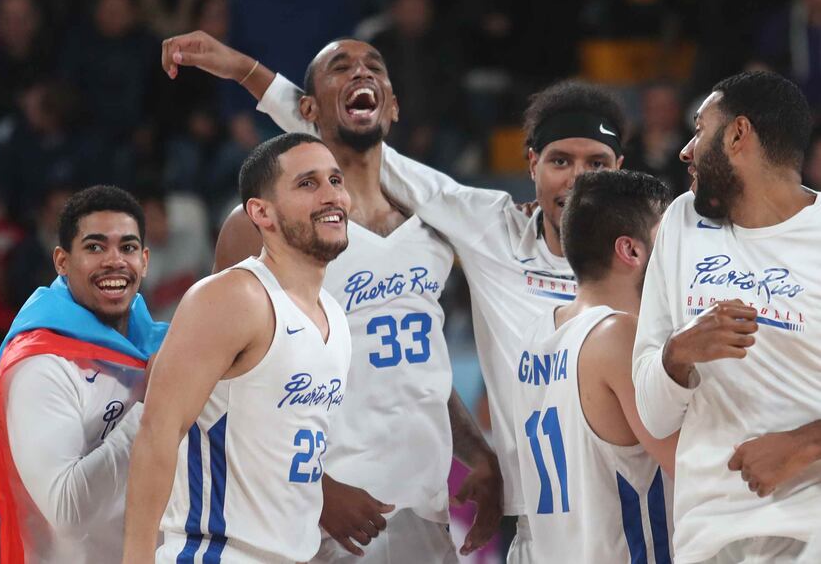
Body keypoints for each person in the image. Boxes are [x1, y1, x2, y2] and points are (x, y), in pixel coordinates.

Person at [229, 45, 629, 559]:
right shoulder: (492, 231)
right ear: (532, 165)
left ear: (621, 168)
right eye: (560, 161)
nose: (577, 178)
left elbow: (425, 374)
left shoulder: (651, 258)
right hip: (516, 525)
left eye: (596, 163)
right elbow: (358, 140)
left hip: (618, 509)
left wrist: (476, 453)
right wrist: (247, 72)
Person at [161, 32, 502, 562]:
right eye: (341, 68)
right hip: (315, 521)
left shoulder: (434, 228)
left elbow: (418, 369)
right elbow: (222, 392)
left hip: (425, 513)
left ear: (393, 105)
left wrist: (475, 451)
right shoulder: (261, 226)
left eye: (374, 67)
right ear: (307, 108)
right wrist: (317, 489)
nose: (361, 73)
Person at [122, 133, 354, 563]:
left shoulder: (335, 317)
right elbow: (157, 432)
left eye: (336, 181)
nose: (331, 195)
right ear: (260, 212)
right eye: (308, 183)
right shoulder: (234, 297)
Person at [632, 70, 821, 563]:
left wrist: (804, 444)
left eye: (699, 130)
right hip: (706, 536)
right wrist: (677, 355)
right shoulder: (681, 224)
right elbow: (652, 412)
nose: (685, 150)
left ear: (738, 134)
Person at [0, 185, 168, 564]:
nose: (114, 261)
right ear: (61, 261)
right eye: (94, 247)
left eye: (128, 247)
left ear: (145, 260)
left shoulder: (155, 345)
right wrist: (156, 409)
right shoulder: (41, 365)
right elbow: (68, 513)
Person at [514, 169, 676, 563]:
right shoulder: (617, 335)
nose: (680, 250)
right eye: (669, 237)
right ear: (631, 251)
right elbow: (691, 466)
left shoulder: (536, 334)